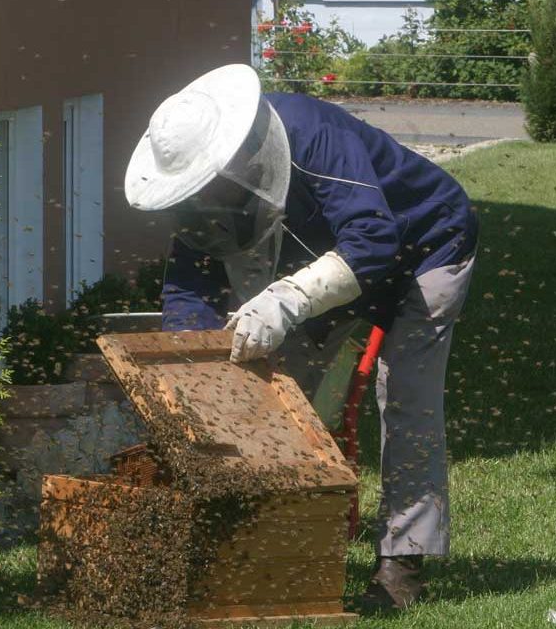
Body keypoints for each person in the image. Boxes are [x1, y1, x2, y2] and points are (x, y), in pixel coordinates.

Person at [124, 64, 478, 611]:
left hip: (425, 245)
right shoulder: (202, 196)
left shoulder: (312, 134)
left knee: (408, 398)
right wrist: (193, 379)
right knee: (278, 399)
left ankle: (403, 565)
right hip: (326, 264)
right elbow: (188, 293)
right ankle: (281, 550)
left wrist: (284, 300)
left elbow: (372, 241)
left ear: (237, 156)